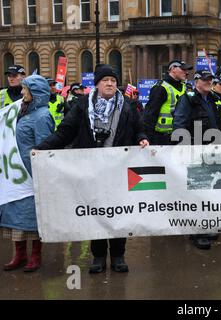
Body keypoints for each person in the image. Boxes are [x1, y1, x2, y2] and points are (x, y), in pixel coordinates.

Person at [35, 64, 149, 274]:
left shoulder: (128, 106)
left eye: (113, 81)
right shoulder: (82, 105)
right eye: (105, 80)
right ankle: (98, 256)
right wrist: (42, 149)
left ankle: (118, 255)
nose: (110, 84)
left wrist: (142, 138)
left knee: (117, 213)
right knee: (95, 212)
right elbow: (66, 131)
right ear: (97, 83)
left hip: (118, 170)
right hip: (91, 170)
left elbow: (138, 128)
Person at [1, 75, 55, 272]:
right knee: (16, 217)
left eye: (26, 89)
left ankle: (35, 255)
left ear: (36, 92)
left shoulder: (42, 116)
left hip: (32, 176)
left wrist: (40, 172)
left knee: (33, 217)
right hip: (16, 176)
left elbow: (45, 148)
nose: (22, 92)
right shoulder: (20, 112)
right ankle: (19, 255)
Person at [173, 70, 221, 250]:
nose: (209, 82)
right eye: (205, 80)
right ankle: (197, 232)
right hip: (194, 150)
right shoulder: (188, 99)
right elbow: (179, 123)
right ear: (196, 81)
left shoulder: (211, 99)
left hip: (212, 150)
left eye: (210, 79)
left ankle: (207, 226)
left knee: (209, 190)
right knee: (196, 194)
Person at [143, 60, 193, 145]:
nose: (187, 73)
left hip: (182, 136)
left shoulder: (185, 88)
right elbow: (149, 115)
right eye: (183, 69)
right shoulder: (160, 88)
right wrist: (147, 138)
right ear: (173, 69)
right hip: (162, 138)